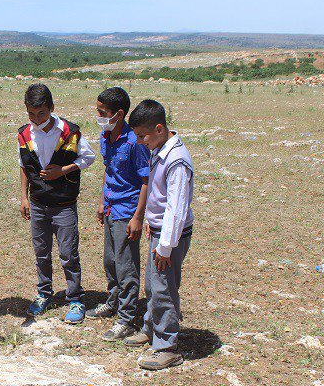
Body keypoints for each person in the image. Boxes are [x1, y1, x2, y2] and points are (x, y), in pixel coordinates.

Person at [124, 99, 195, 370]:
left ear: (159, 128)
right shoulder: (159, 148)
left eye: (142, 135)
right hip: (159, 233)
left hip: (170, 236)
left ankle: (167, 345)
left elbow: (176, 210)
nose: (140, 141)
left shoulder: (176, 161)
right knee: (153, 285)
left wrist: (165, 247)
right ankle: (151, 328)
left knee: (164, 288)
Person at [18, 83, 95, 324]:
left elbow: (88, 157)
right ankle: (44, 294)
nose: (36, 119)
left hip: (64, 204)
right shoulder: (24, 134)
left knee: (67, 253)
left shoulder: (70, 132)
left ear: (52, 108)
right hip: (38, 203)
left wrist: (62, 170)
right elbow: (23, 165)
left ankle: (75, 298)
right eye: (31, 113)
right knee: (41, 252)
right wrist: (23, 197)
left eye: (41, 113)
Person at [85, 87, 150, 343]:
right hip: (111, 207)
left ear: (119, 114)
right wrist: (102, 201)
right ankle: (112, 302)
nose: (98, 116)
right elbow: (109, 171)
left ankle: (127, 317)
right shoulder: (106, 136)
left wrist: (137, 217)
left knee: (126, 267)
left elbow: (146, 180)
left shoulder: (135, 142)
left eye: (103, 113)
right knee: (110, 261)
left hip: (127, 211)